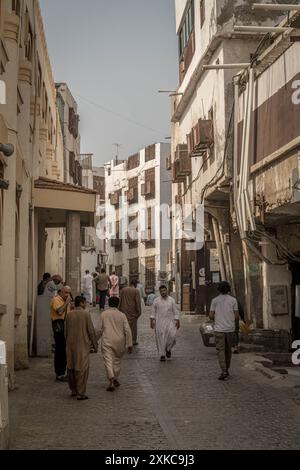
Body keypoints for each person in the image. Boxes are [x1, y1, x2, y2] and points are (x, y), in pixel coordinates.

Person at [65, 295, 98, 400]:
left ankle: (73, 390)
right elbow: (91, 332)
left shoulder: (69, 315)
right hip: (82, 344)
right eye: (84, 303)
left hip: (70, 344)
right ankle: (81, 392)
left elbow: (65, 332)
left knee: (71, 367)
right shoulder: (85, 314)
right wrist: (95, 345)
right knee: (82, 369)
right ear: (82, 303)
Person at [98, 297, 133, 392]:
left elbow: (99, 330)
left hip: (107, 340)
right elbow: (127, 330)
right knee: (117, 361)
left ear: (108, 303)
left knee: (108, 360)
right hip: (119, 341)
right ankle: (115, 377)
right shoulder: (122, 315)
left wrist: (95, 341)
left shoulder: (104, 314)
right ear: (118, 304)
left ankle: (111, 378)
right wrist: (129, 344)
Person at [209, 281, 239, 381]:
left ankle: (224, 370)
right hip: (230, 329)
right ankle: (227, 368)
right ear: (228, 289)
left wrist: (217, 319)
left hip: (219, 329)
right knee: (228, 350)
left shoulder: (215, 301)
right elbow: (236, 316)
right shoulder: (233, 300)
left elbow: (211, 315)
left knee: (220, 350)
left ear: (219, 290)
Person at [150, 285, 180, 362]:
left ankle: (168, 349)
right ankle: (162, 355)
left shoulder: (171, 300)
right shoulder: (156, 301)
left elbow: (175, 311)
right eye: (161, 291)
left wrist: (177, 320)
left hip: (170, 322)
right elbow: (153, 311)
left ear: (167, 290)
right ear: (159, 292)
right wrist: (152, 321)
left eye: (164, 290)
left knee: (172, 336)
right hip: (159, 322)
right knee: (160, 338)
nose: (163, 292)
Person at [50, 285, 73, 381]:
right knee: (60, 349)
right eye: (66, 293)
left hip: (65, 324)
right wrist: (67, 303)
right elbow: (59, 312)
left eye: (69, 293)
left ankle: (63, 371)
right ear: (61, 292)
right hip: (58, 324)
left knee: (64, 349)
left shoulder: (65, 301)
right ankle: (59, 373)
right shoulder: (56, 300)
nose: (67, 295)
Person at [119, 279, 142, 346]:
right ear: (135, 284)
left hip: (124, 310)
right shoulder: (136, 291)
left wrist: (118, 309)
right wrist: (139, 312)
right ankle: (133, 341)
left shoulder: (123, 290)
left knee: (124, 326)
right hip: (133, 312)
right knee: (133, 327)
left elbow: (120, 300)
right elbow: (138, 302)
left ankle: (124, 339)